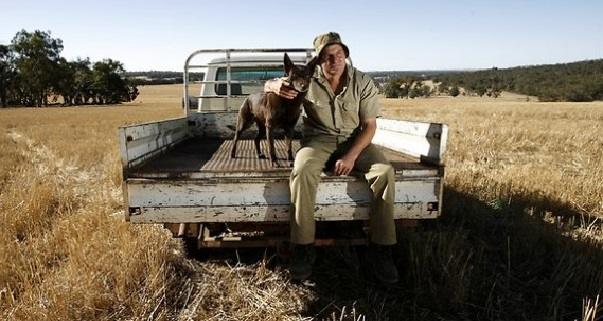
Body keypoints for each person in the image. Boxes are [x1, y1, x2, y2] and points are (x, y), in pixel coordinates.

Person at [264, 32, 398, 285]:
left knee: (384, 172)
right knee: (302, 170)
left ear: (345, 55)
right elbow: (271, 84)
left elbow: (369, 126)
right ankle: (303, 248)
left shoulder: (362, 82)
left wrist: (351, 156)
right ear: (319, 61)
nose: (334, 60)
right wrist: (273, 86)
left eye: (338, 54)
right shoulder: (307, 78)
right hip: (318, 141)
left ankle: (382, 251)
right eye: (327, 56)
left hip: (354, 140)